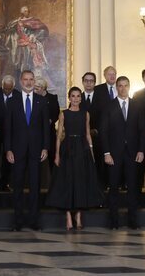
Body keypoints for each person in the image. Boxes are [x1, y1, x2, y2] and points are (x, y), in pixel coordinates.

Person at [47, 86, 104, 229]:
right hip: (67, 148)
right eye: (73, 96)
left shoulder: (85, 113)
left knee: (80, 182)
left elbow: (87, 134)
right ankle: (68, 216)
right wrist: (57, 154)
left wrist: (91, 151)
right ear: (69, 98)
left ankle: (78, 216)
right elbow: (59, 136)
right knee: (67, 181)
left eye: (78, 96)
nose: (76, 99)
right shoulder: (63, 114)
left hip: (82, 148)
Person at [5, 70, 50, 231]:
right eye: (26, 79)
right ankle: (18, 221)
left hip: (36, 151)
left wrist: (45, 147)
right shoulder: (12, 101)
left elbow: (46, 127)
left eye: (31, 79)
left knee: (35, 187)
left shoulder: (42, 101)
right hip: (17, 151)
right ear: (20, 81)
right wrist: (8, 149)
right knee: (17, 186)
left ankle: (34, 220)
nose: (29, 82)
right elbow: (8, 128)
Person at [99, 76, 145, 230]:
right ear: (116, 88)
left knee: (133, 188)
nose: (123, 88)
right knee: (113, 188)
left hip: (133, 153)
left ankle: (133, 221)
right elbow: (103, 132)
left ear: (129, 86)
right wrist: (106, 153)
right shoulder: (108, 106)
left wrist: (141, 150)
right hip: (113, 154)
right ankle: (113, 221)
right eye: (120, 86)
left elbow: (141, 131)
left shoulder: (137, 105)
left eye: (126, 85)